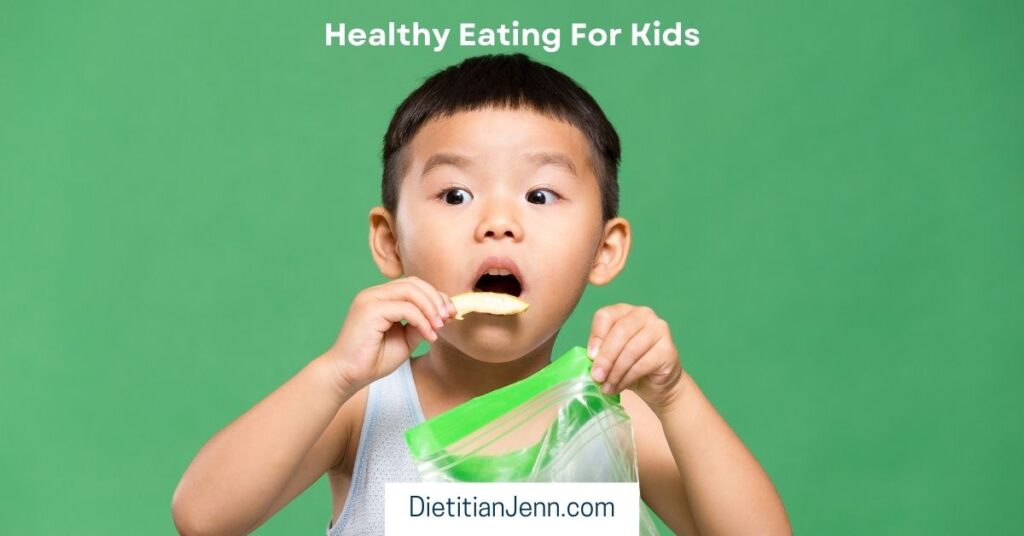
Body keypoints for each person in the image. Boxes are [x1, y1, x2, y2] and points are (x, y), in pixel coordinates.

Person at [171, 53, 791, 536]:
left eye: (540, 195)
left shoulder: (613, 416)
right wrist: (334, 374)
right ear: (390, 242)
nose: (498, 222)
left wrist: (676, 397)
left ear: (604, 251)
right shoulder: (363, 408)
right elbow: (204, 518)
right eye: (455, 195)